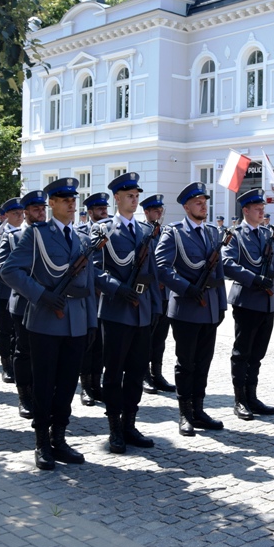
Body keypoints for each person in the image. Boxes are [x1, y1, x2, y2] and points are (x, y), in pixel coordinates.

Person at [1, 178, 97, 469]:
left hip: (77, 322)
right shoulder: (36, 235)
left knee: (68, 384)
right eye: (63, 199)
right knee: (44, 384)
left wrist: (91, 322)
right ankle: (42, 441)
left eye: (73, 198)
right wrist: (40, 295)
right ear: (51, 204)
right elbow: (9, 270)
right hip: (44, 322)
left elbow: (90, 284)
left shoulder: (82, 238)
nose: (71, 203)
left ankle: (60, 438)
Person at [92, 172, 162, 454]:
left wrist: (156, 307)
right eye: (129, 196)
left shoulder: (146, 231)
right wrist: (118, 289)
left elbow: (153, 274)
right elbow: (95, 269)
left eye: (136, 196)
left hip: (142, 313)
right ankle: (114, 427)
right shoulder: (103, 230)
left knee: (136, 372)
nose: (134, 201)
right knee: (113, 373)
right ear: (117, 198)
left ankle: (130, 423)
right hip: (115, 311)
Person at [154, 181, 228, 438]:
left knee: (203, 363)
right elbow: (161, 267)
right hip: (186, 307)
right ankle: (185, 414)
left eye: (205, 202)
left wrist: (222, 305)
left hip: (209, 309)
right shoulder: (173, 233)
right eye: (198, 202)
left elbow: (217, 273)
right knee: (186, 363)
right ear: (186, 206)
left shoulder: (211, 232)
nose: (203, 206)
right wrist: (186, 288)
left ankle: (199, 409)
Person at [223, 188, 274, 421]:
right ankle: (239, 400)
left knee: (257, 354)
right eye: (257, 209)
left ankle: (252, 396)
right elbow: (227, 263)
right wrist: (253, 278)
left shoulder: (267, 234)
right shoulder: (235, 235)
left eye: (262, 208)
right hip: (247, 301)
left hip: (268, 302)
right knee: (242, 353)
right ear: (245, 210)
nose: (261, 212)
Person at [0, 190, 47, 419]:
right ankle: (24, 395)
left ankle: (42, 393)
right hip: (23, 303)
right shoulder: (13, 236)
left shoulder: (51, 235)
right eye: (36, 209)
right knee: (23, 351)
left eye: (43, 208)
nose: (41, 213)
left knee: (45, 352)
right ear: (26, 213)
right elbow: (2, 269)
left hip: (47, 304)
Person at [140, 194, 176, 396]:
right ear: (147, 212)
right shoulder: (142, 232)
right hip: (150, 293)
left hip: (165, 294)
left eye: (161, 211)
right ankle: (144, 375)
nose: (159, 214)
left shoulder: (166, 232)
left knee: (160, 338)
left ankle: (157, 373)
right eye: (156, 211)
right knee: (147, 336)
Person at [77, 191, 111, 407]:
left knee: (101, 345)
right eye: (99, 209)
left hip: (106, 297)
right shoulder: (82, 233)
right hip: (89, 296)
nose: (103, 211)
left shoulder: (112, 232)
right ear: (89, 212)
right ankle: (86, 387)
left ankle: (97, 384)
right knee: (87, 344)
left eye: (105, 208)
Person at [0, 197, 25, 384]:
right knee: (4, 329)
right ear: (6, 215)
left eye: (21, 213)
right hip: (4, 290)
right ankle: (6, 365)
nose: (19, 216)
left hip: (22, 291)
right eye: (15, 213)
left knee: (18, 331)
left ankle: (16, 360)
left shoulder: (28, 233)